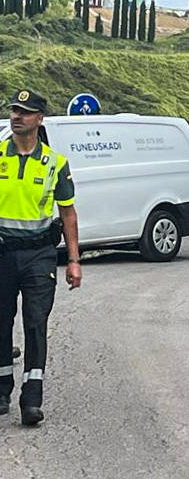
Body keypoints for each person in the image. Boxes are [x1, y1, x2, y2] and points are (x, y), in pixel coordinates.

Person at [0, 89, 82, 426]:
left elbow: (68, 215)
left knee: (35, 325)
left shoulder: (55, 163)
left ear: (39, 119)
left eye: (25, 112)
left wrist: (74, 260)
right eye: (14, 111)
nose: (17, 116)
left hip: (39, 255)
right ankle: (2, 389)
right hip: (2, 253)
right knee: (1, 322)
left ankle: (31, 399)